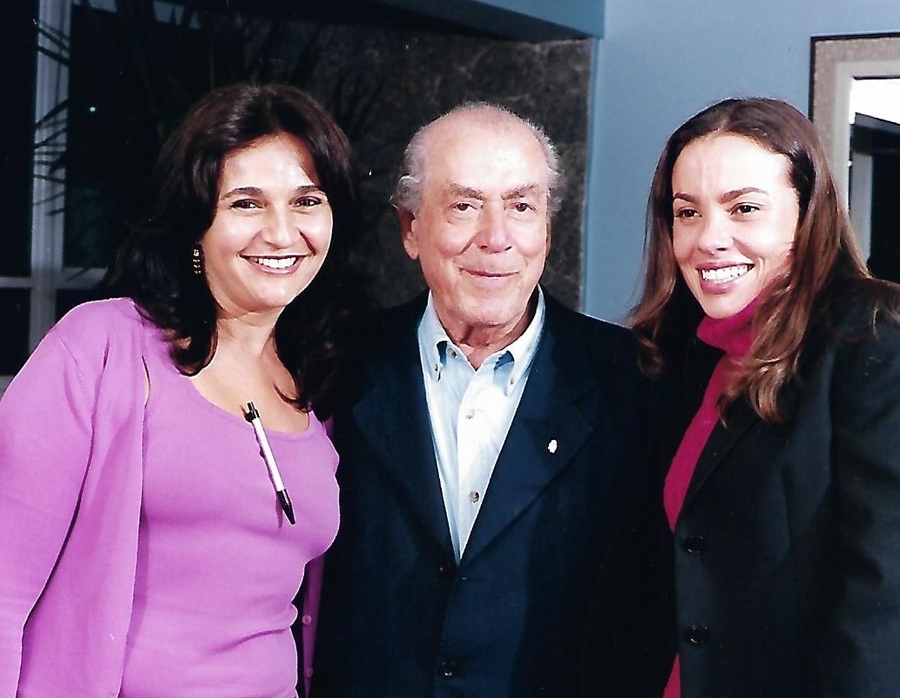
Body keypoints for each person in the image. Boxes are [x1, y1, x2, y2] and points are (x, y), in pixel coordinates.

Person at [0, 82, 358, 697]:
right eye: (246, 204)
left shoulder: (317, 386)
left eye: (306, 201)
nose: (281, 232)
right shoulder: (104, 348)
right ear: (195, 224)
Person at [310, 103, 663, 697]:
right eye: (464, 206)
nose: (495, 238)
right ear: (410, 228)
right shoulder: (336, 364)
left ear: (547, 230)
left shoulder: (633, 381)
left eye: (521, 207)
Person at [588, 96, 900, 697]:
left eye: (745, 209)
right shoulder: (685, 354)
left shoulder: (871, 334)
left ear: (807, 216)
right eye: (688, 212)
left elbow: (884, 599)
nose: (709, 239)